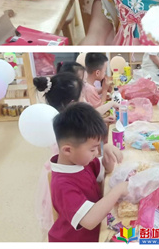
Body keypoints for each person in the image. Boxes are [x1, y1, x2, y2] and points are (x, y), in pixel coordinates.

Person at [49, 103, 128, 242]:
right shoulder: (62, 184)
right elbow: (89, 220)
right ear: (67, 150)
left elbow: (107, 169)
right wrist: (118, 190)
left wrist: (107, 151)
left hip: (97, 230)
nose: (96, 153)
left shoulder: (80, 161)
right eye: (92, 149)